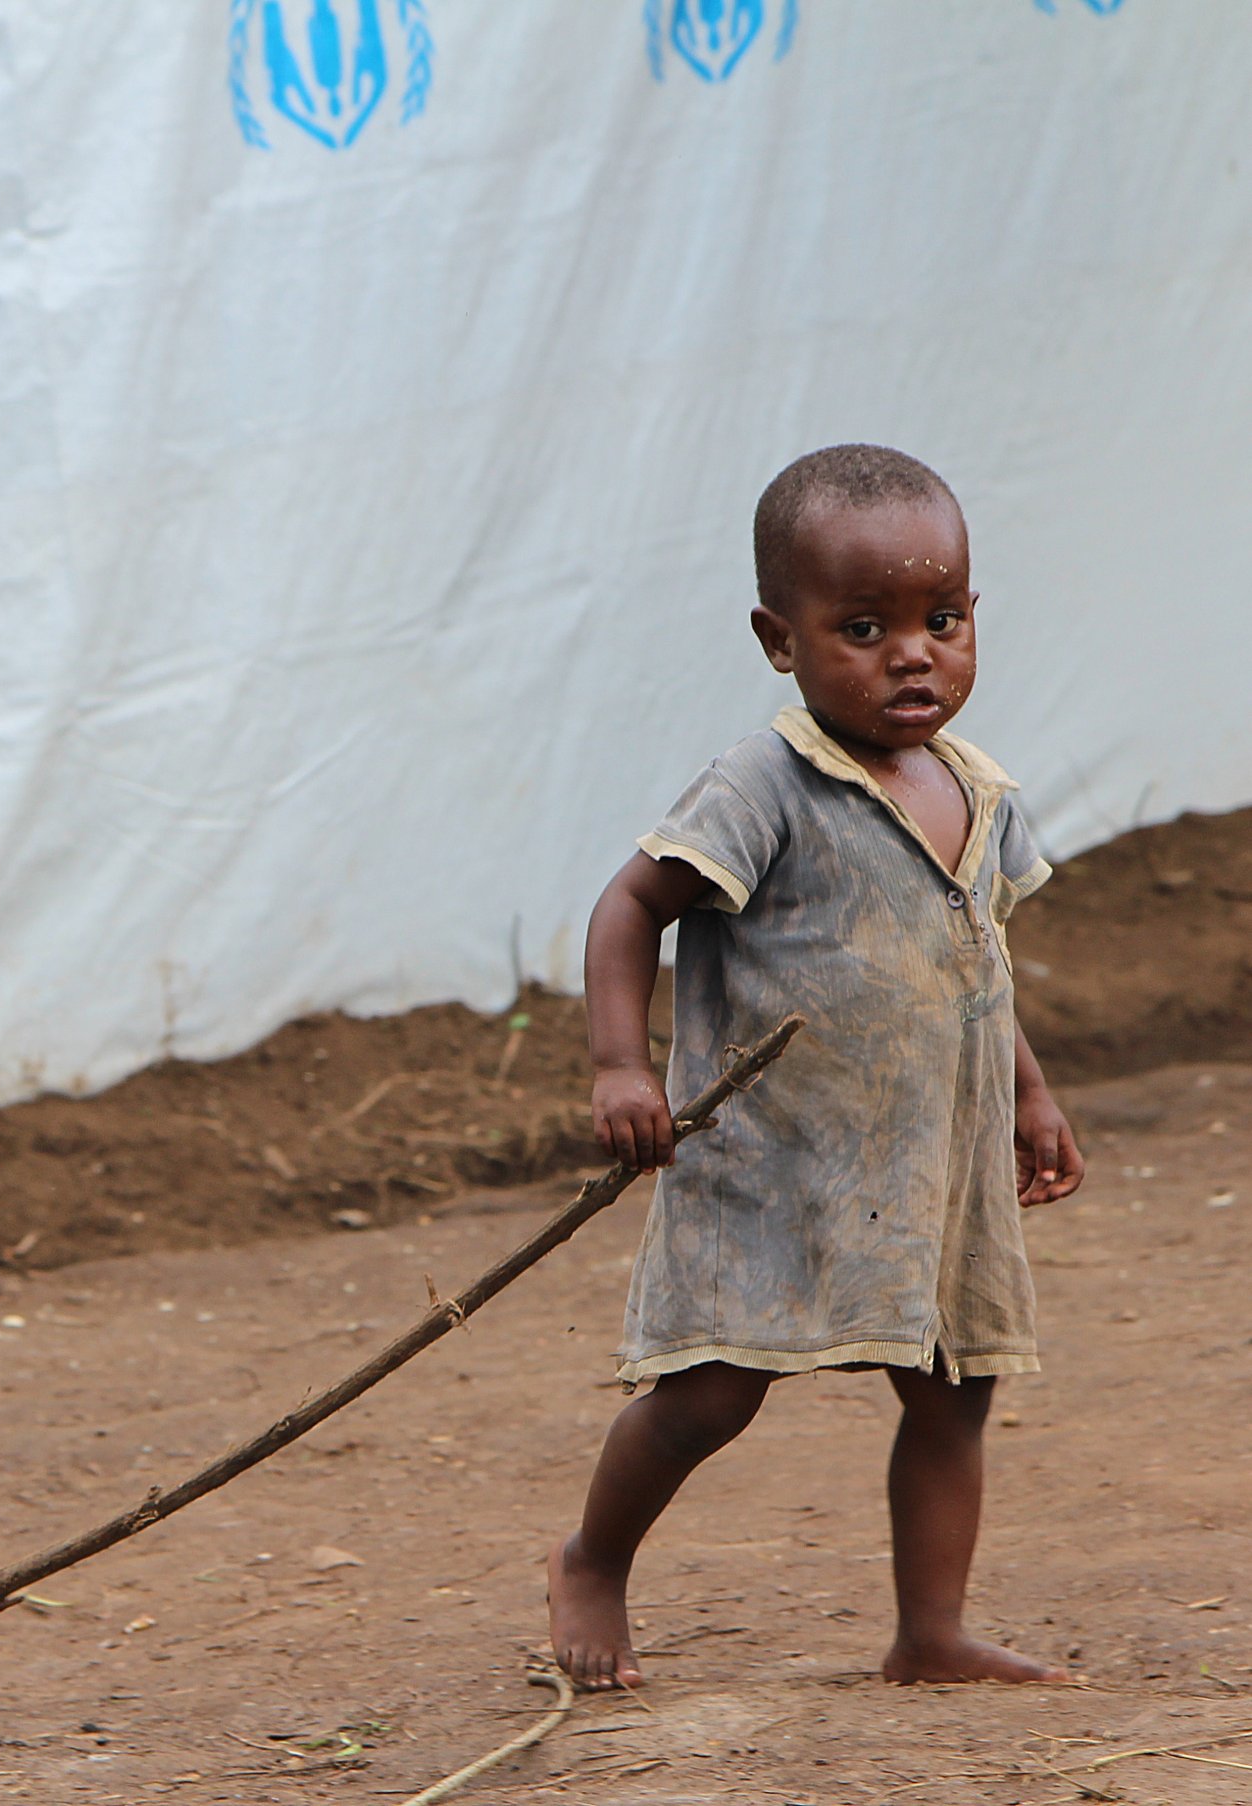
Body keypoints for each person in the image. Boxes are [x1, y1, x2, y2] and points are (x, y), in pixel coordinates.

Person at [545, 444, 1085, 1691]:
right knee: (712, 1391)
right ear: (777, 638)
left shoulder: (978, 790)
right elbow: (631, 905)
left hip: (930, 1163)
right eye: (862, 625)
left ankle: (928, 1631)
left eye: (939, 619)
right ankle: (592, 1559)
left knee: (954, 1389)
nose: (912, 653)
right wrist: (621, 1065)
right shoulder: (764, 786)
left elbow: (970, 964)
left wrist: (1029, 1093)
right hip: (774, 1164)